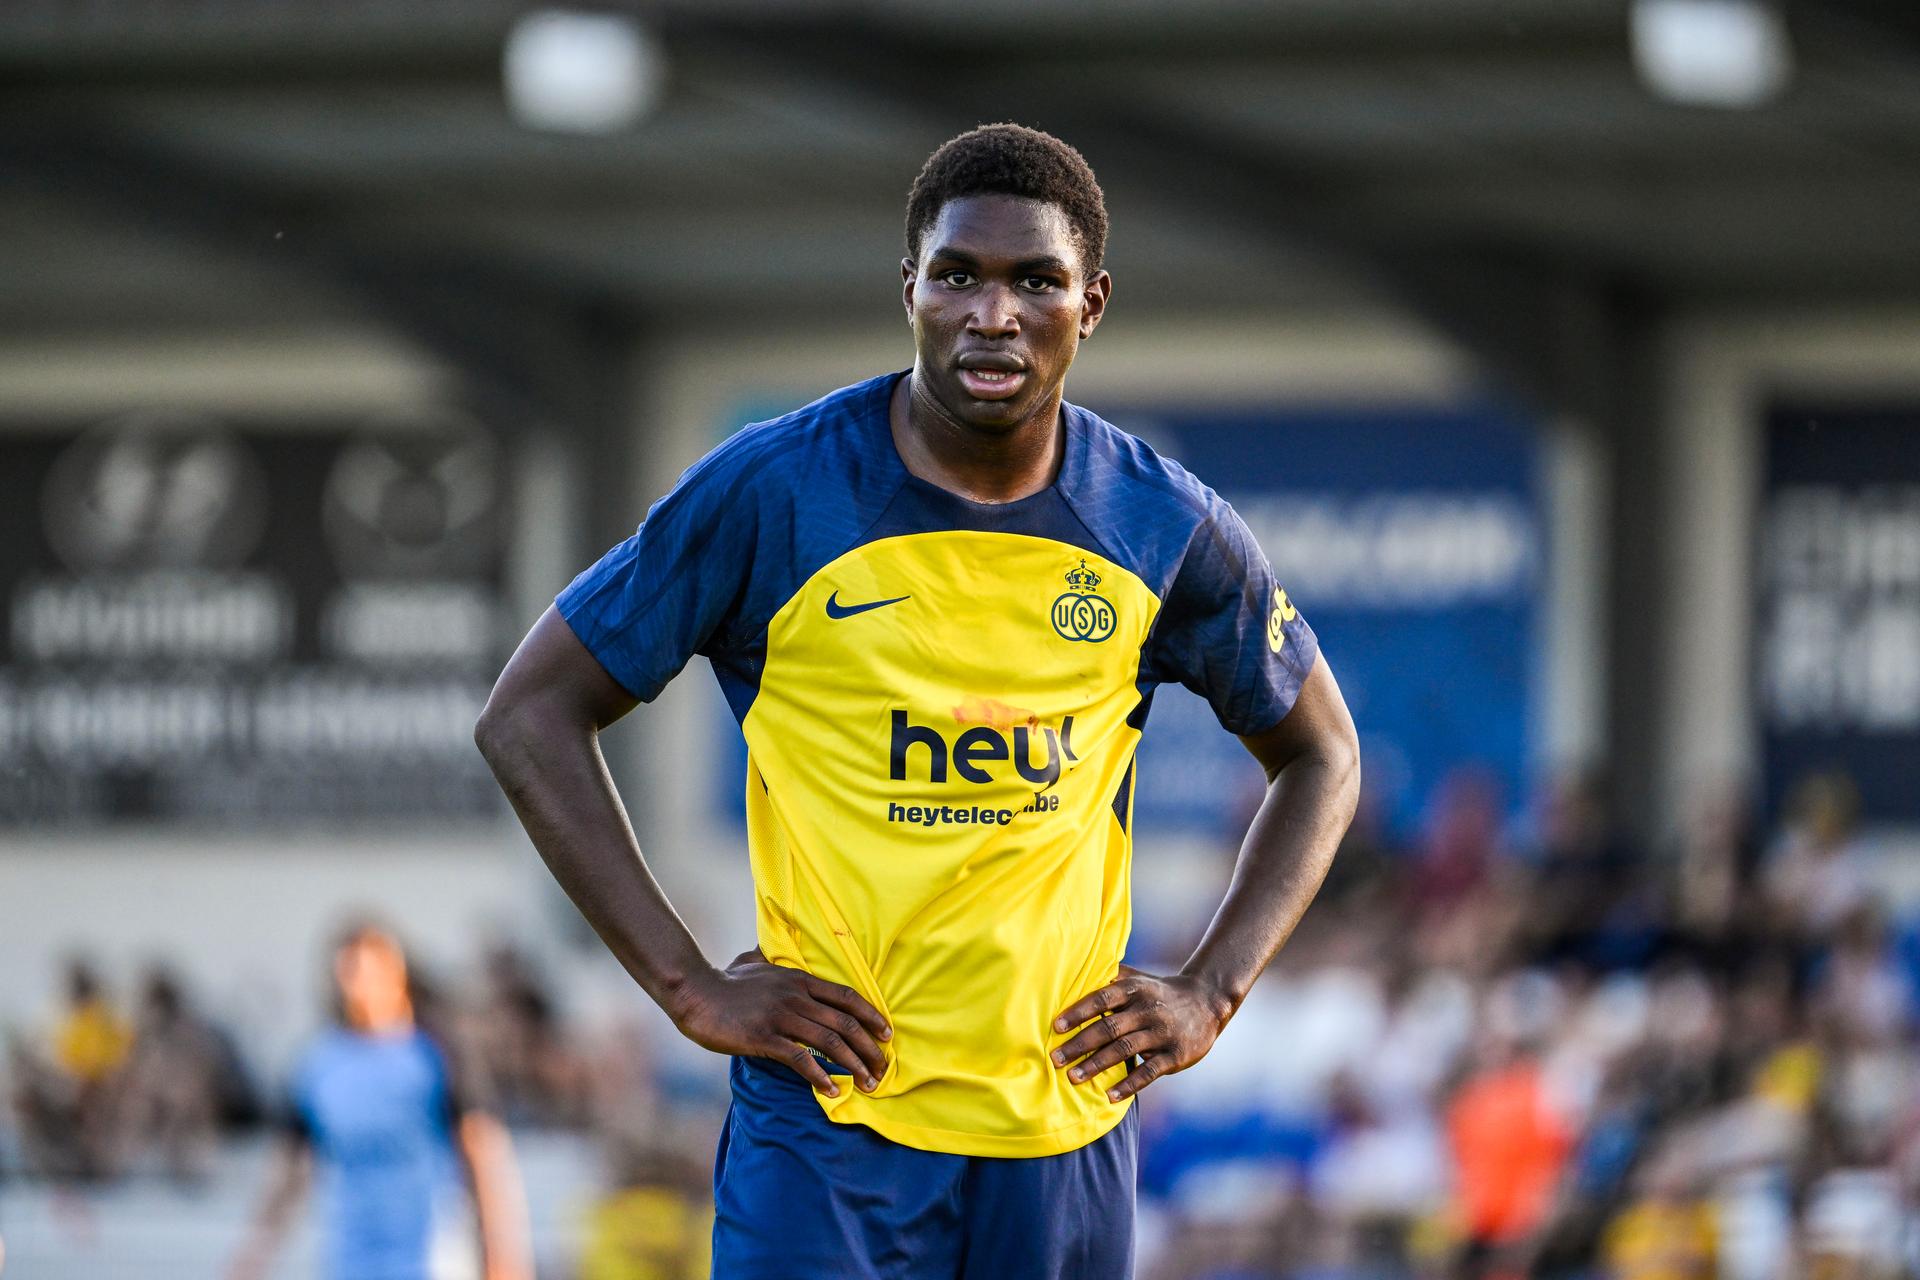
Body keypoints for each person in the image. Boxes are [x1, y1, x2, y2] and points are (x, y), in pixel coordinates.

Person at [476, 122, 1361, 1277]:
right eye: (958, 276)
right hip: (829, 1124)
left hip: (1062, 1126)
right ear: (911, 290)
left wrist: (1211, 990)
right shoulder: (775, 490)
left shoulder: (1162, 523)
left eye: (1035, 281)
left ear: (1091, 304)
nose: (993, 313)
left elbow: (1323, 753)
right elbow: (529, 714)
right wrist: (686, 983)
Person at [228, 921, 532, 1280]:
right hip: (352, 1259)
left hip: (432, 1257)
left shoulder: (436, 1052)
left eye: (369, 973)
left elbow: (482, 1153)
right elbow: (290, 1173)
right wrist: (251, 1259)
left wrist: (502, 1257)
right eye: (350, 974)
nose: (358, 987)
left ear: (397, 975)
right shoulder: (317, 1065)